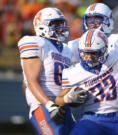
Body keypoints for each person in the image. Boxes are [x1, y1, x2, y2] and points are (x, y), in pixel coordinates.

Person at [55, 28, 118, 135]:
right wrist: (68, 98)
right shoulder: (72, 73)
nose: (88, 57)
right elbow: (58, 100)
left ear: (104, 50)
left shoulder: (113, 59)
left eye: (93, 53)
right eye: (85, 53)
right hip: (91, 119)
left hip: (117, 118)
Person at [17, 7, 85, 135]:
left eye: (61, 24)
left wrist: (71, 96)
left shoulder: (66, 50)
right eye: (56, 24)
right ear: (42, 26)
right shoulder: (36, 43)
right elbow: (30, 82)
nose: (61, 28)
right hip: (44, 106)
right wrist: (49, 105)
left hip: (63, 105)